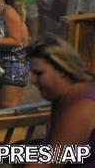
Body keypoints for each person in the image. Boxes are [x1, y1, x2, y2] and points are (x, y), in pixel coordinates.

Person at [25, 36, 95, 168]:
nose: (32, 80)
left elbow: (44, 163)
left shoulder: (82, 107)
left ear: (62, 70)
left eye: (39, 73)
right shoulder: (64, 98)